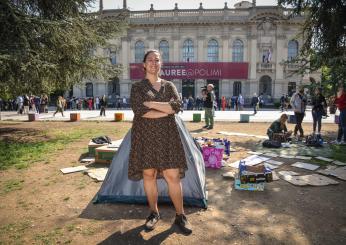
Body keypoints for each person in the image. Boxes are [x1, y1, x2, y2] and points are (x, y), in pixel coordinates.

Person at [129, 49, 192, 234]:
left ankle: (180, 215)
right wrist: (164, 109)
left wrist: (151, 104)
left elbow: (177, 107)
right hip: (145, 137)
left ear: (161, 64)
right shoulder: (137, 87)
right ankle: (154, 213)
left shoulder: (169, 85)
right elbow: (140, 111)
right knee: (148, 175)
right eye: (150, 60)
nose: (153, 63)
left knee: (172, 176)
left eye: (157, 60)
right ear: (144, 64)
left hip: (168, 137)